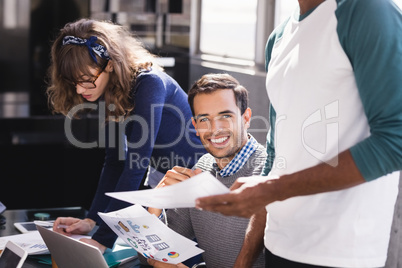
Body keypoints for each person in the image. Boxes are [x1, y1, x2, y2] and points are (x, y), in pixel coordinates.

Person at [196, 0, 402, 267]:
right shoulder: (278, 39)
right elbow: (275, 155)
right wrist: (244, 260)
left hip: (340, 254)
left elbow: (395, 140)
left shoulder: (365, 10)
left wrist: (273, 189)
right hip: (278, 246)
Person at [46, 18, 206, 252]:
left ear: (110, 64)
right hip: (168, 184)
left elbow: (135, 166)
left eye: (86, 80)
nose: (80, 90)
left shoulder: (150, 84)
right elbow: (115, 162)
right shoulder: (109, 91)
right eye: (73, 83)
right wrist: (92, 221)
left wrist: (102, 239)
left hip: (200, 187)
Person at [147, 73, 266, 267]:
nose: (214, 129)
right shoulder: (201, 168)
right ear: (195, 125)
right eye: (204, 119)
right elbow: (150, 256)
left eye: (225, 116)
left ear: (246, 118)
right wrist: (156, 202)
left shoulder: (269, 174)